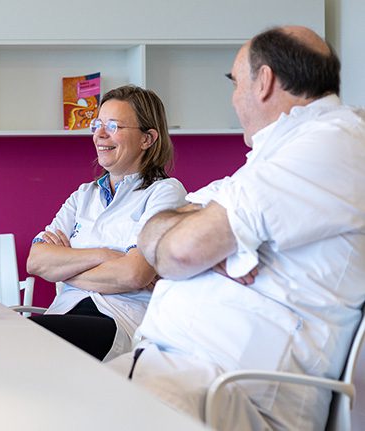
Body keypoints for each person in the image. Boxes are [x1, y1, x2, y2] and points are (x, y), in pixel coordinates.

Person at [107, 26, 365, 430]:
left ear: (264, 82)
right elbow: (152, 228)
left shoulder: (333, 143)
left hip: (229, 392)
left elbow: (179, 252)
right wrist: (195, 239)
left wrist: (189, 243)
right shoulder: (278, 152)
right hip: (186, 375)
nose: (233, 98)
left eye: (235, 82)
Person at [26, 85, 186, 361]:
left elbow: (134, 274)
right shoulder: (83, 195)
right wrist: (107, 255)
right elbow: (36, 262)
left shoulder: (164, 192)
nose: (100, 134)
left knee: (14, 337)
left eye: (113, 126)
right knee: (2, 335)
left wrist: (65, 268)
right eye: (97, 124)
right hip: (65, 310)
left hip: (119, 320)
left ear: (148, 138)